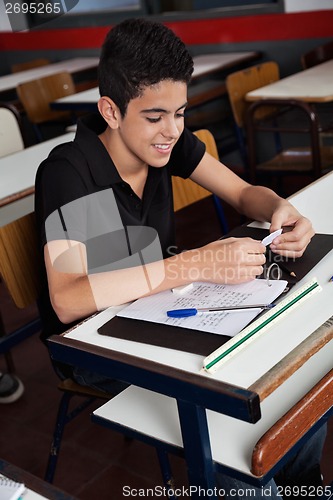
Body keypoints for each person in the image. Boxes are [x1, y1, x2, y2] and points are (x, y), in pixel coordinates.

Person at [35, 18, 326, 499]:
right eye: (154, 118)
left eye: (181, 113)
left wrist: (279, 208)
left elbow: (243, 192)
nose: (171, 131)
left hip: (162, 313)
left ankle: (301, 480)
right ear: (110, 111)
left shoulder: (168, 145)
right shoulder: (70, 172)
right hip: (95, 342)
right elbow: (69, 300)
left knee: (289, 363)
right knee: (224, 412)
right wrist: (195, 264)